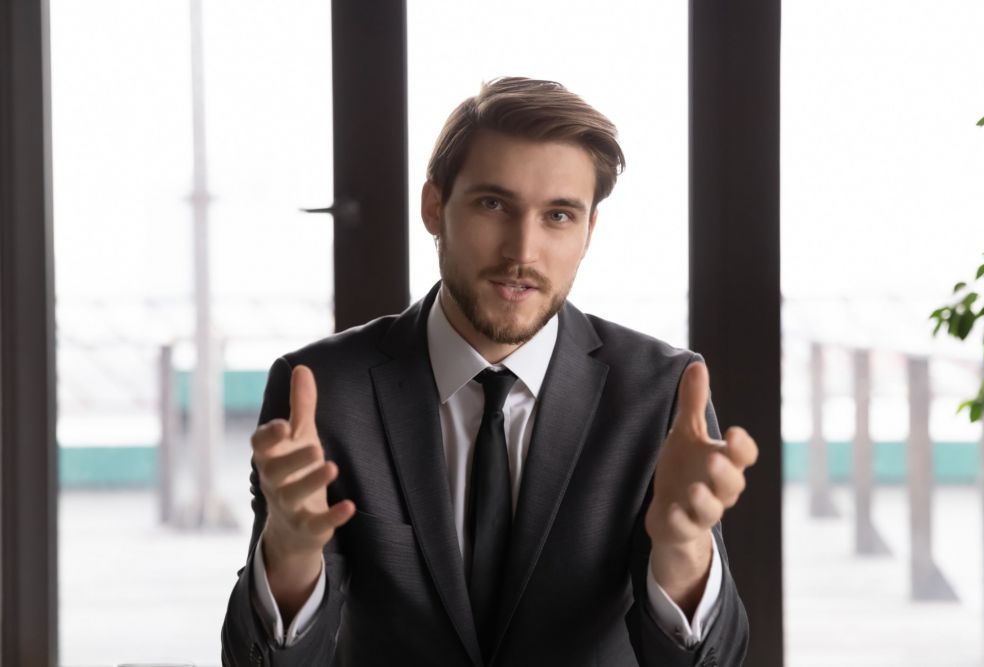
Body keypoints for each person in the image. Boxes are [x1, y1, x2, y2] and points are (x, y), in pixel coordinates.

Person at [222, 77, 757, 667]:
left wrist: (683, 551)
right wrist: (291, 555)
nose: (522, 251)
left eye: (558, 215)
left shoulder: (659, 394)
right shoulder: (322, 391)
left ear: (588, 232)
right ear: (434, 207)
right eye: (493, 205)